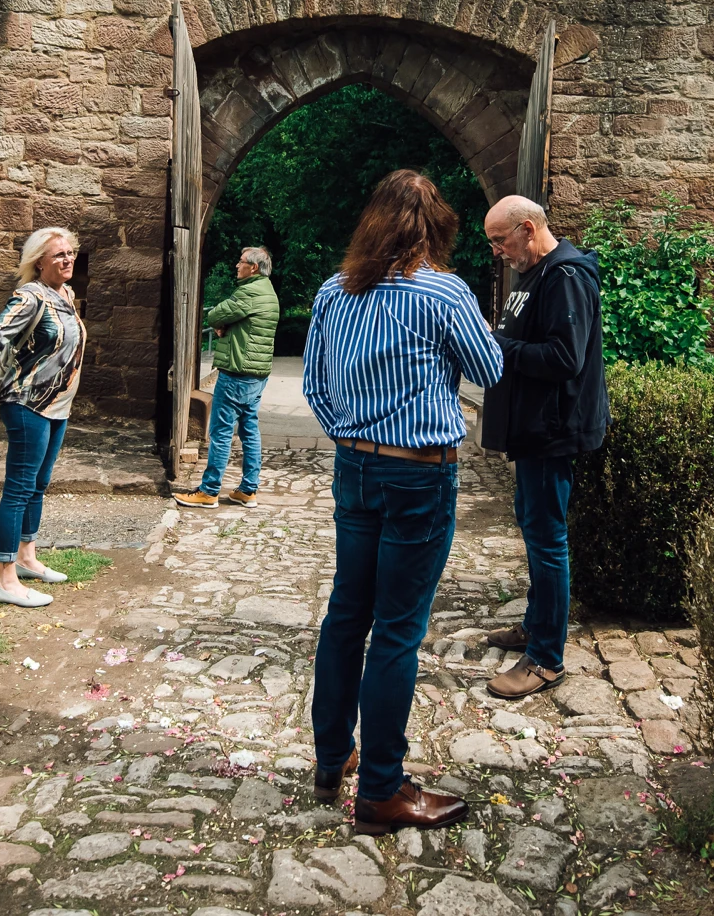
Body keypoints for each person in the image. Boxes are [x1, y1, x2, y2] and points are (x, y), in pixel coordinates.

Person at [303, 169, 502, 833]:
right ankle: (382, 790)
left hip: (355, 469)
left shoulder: (334, 292)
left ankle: (333, 758)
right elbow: (489, 369)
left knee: (345, 614)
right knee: (395, 630)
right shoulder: (444, 293)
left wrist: (356, 439)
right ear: (435, 228)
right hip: (418, 475)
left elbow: (314, 385)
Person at [478, 195, 609, 699]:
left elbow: (563, 357)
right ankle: (535, 627)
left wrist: (499, 347)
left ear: (528, 229)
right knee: (533, 529)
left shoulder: (567, 276)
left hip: (555, 431)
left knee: (548, 539)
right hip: (534, 430)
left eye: (500, 240)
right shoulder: (534, 274)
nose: (497, 251)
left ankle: (547, 658)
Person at [0, 226, 86, 608]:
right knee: (19, 487)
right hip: (27, 405)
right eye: (59, 255)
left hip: (57, 406)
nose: (68, 259)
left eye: (70, 253)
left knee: (39, 483)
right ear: (39, 262)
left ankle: (26, 557)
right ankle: (4, 579)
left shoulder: (65, 295)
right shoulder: (30, 297)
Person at [174, 245, 280, 509]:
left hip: (236, 374)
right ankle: (248, 490)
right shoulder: (268, 292)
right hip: (256, 374)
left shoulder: (249, 292)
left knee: (221, 433)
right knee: (249, 431)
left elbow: (214, 314)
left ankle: (209, 492)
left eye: (241, 261)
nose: (237, 265)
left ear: (253, 267)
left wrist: (223, 324)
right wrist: (229, 327)